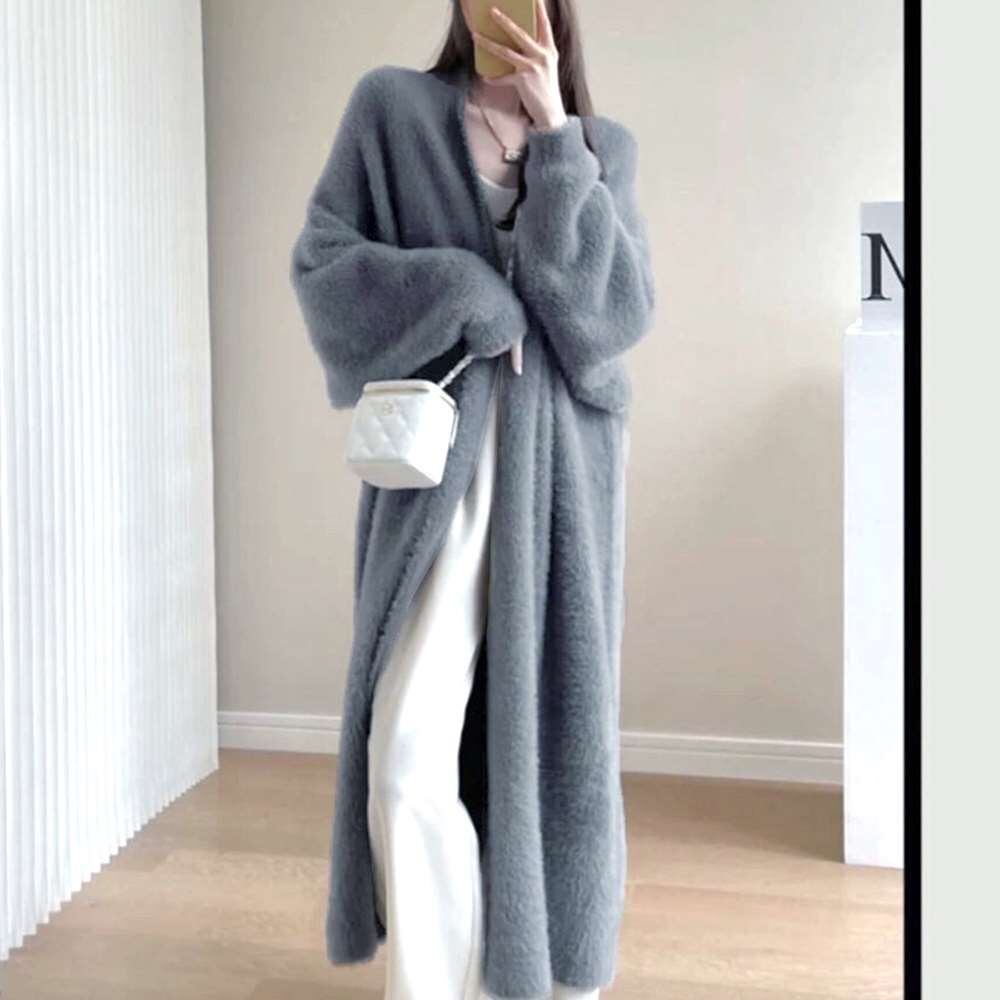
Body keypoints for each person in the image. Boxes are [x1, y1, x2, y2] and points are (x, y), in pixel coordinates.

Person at [289, 2, 656, 998]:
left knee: (549, 745)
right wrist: (461, 292)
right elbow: (324, 264)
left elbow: (611, 318)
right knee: (407, 751)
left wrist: (558, 142)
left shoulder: (601, 147)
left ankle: (531, 972)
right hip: (438, 478)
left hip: (561, 484)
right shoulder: (391, 109)